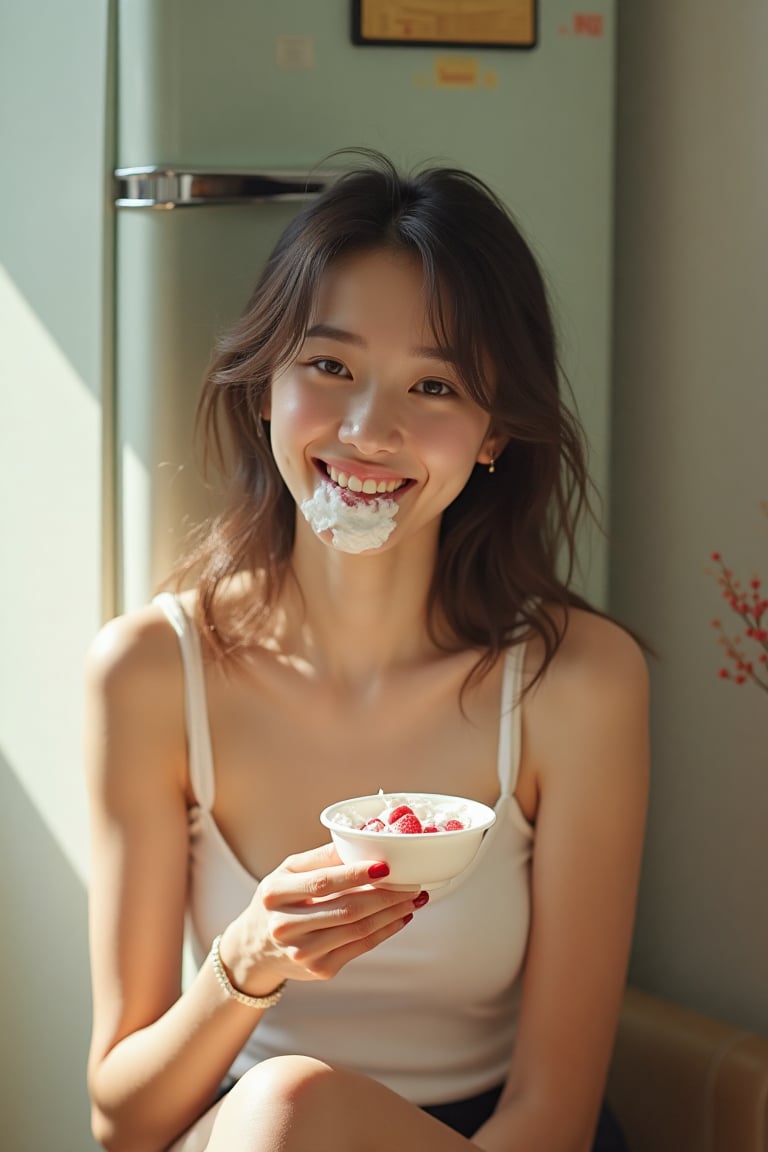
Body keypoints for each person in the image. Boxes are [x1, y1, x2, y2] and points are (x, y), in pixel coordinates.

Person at [84, 151, 649, 1152]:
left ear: (490, 435)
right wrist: (247, 960)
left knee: (289, 1111)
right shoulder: (148, 673)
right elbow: (122, 1121)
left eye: (433, 386)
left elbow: (553, 1117)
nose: (366, 430)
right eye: (331, 367)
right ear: (266, 388)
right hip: (245, 1136)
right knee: (279, 1109)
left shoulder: (579, 683)